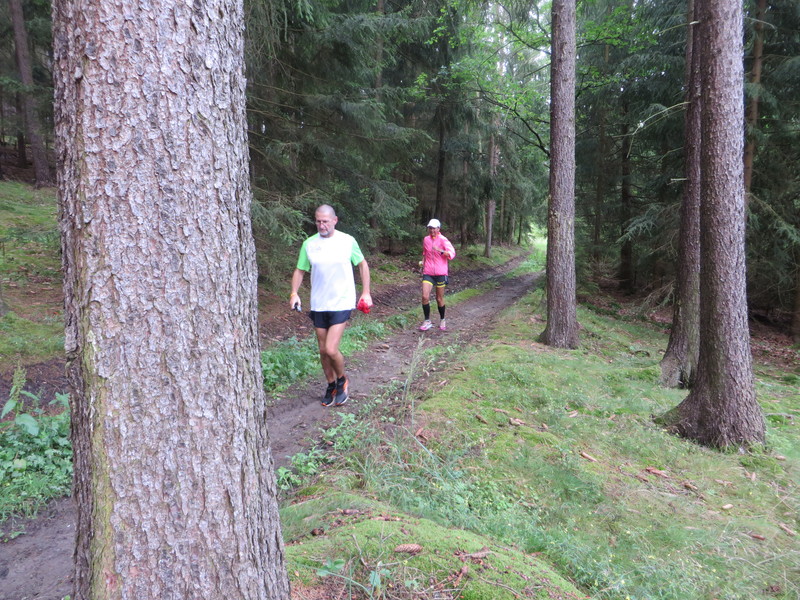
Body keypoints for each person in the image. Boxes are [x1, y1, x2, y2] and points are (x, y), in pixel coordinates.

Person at [290, 205, 372, 407]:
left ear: (335, 220)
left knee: (330, 348)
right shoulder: (309, 244)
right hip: (319, 303)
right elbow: (300, 270)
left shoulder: (347, 241)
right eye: (318, 221)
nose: (322, 225)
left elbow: (362, 264)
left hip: (342, 301)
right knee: (322, 350)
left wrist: (366, 292)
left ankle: (342, 380)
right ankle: (331, 385)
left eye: (325, 221)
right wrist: (294, 293)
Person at [419, 218, 455, 331]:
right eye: (430, 228)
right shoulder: (426, 239)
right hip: (428, 272)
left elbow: (451, 254)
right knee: (425, 296)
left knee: (439, 299)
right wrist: (423, 262)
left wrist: (440, 250)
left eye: (434, 228)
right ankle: (427, 321)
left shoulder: (443, 240)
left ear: (438, 229)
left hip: (440, 273)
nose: (432, 230)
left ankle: (442, 319)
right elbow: (425, 253)